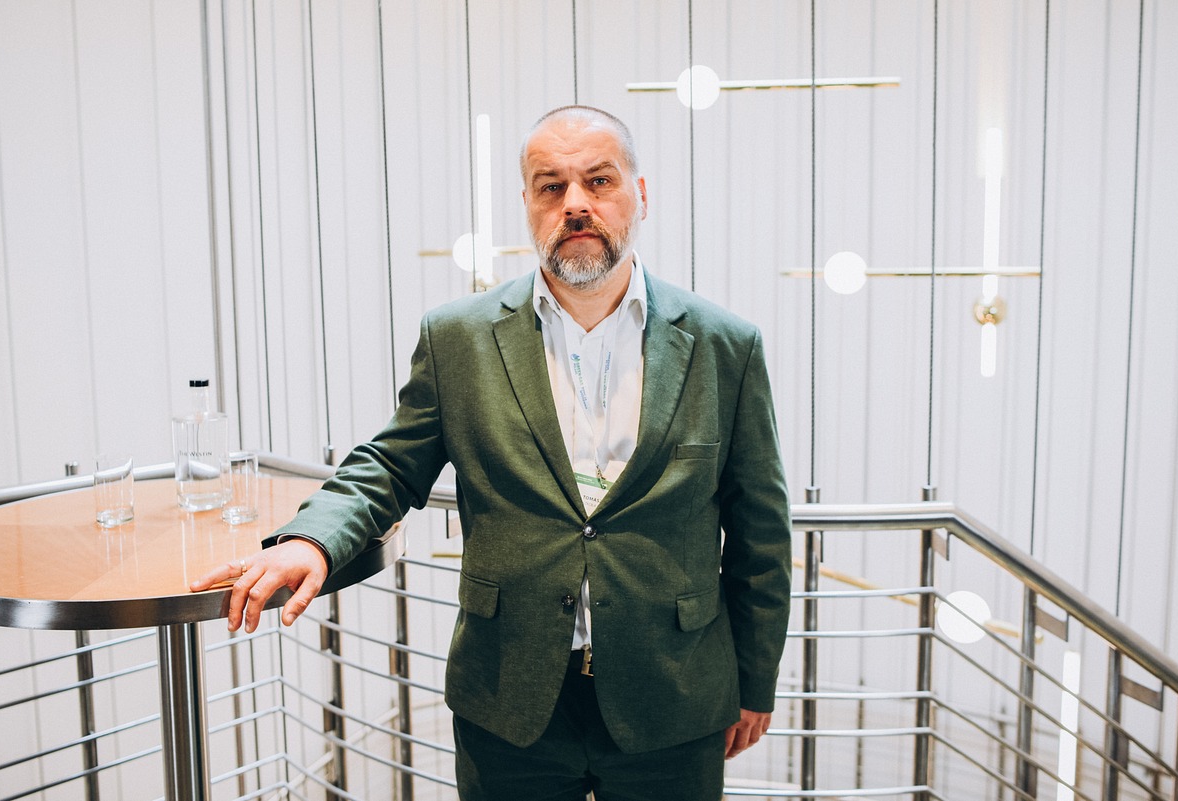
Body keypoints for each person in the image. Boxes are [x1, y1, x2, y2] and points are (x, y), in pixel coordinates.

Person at [192, 105, 793, 801]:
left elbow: (760, 532)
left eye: (598, 181)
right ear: (527, 204)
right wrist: (312, 541)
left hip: (674, 695)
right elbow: (390, 464)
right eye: (550, 186)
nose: (575, 203)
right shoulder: (459, 338)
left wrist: (755, 681)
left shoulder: (725, 344)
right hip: (510, 698)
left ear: (640, 194)